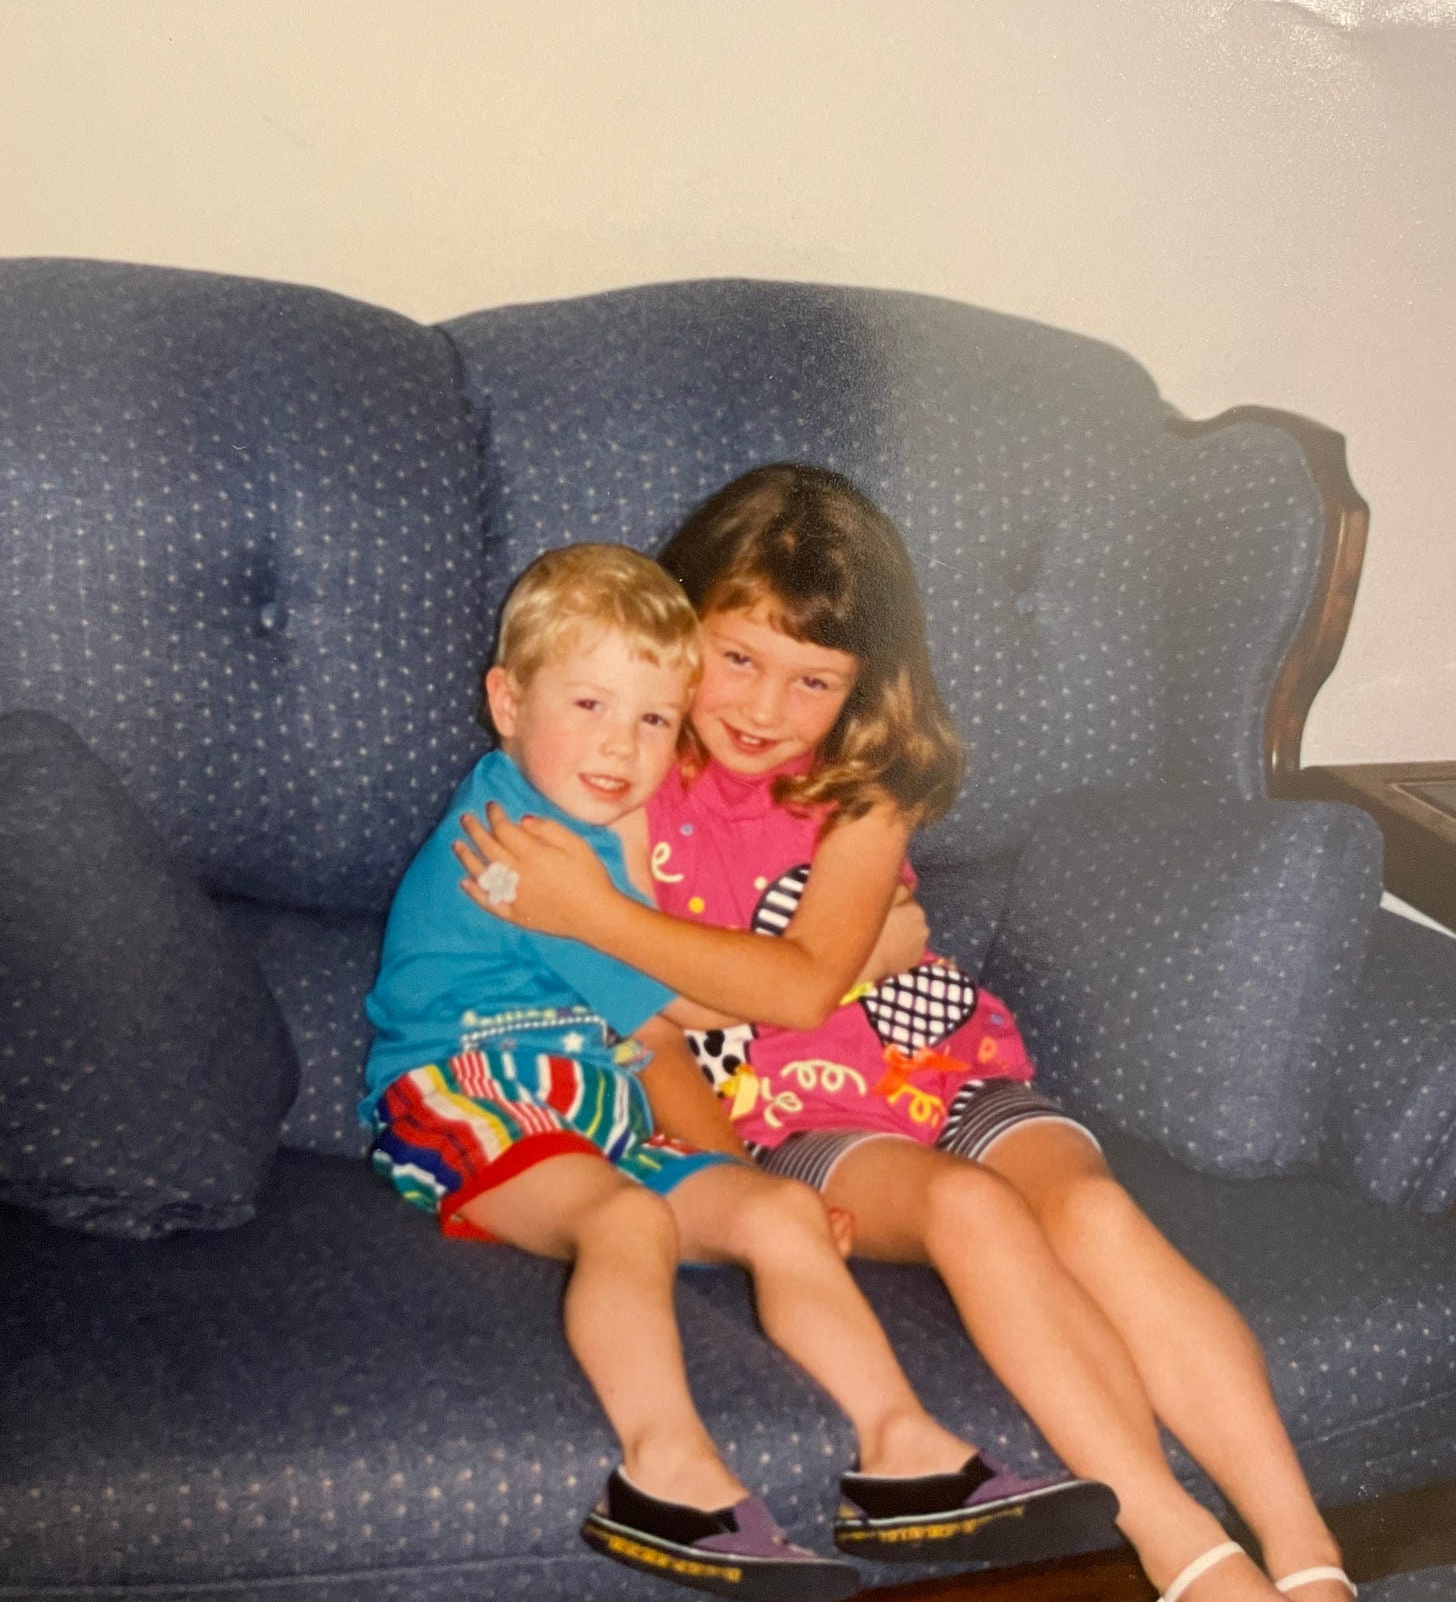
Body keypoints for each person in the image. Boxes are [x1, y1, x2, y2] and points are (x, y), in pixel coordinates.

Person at [454, 473, 1356, 1602]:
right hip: (793, 1114)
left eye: (813, 679)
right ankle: (1184, 1549)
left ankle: (1312, 1560)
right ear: (680, 628)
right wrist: (739, 1189)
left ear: (862, 682)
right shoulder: (612, 772)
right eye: (737, 658)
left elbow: (797, 986)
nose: (766, 708)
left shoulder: (862, 786)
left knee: (1091, 1207)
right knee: (966, 1206)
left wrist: (603, 919)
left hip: (937, 1058)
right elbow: (656, 1038)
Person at [363, 541, 1115, 1602]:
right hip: (465, 1094)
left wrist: (754, 1178)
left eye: (653, 719)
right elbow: (699, 1004)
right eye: (586, 705)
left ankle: (902, 1453)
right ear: (505, 699)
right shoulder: (518, 847)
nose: (620, 747)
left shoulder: (608, 826)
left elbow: (656, 1020)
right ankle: (661, 1473)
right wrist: (871, 956)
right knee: (624, 1223)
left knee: (782, 1218)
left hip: (596, 1103)